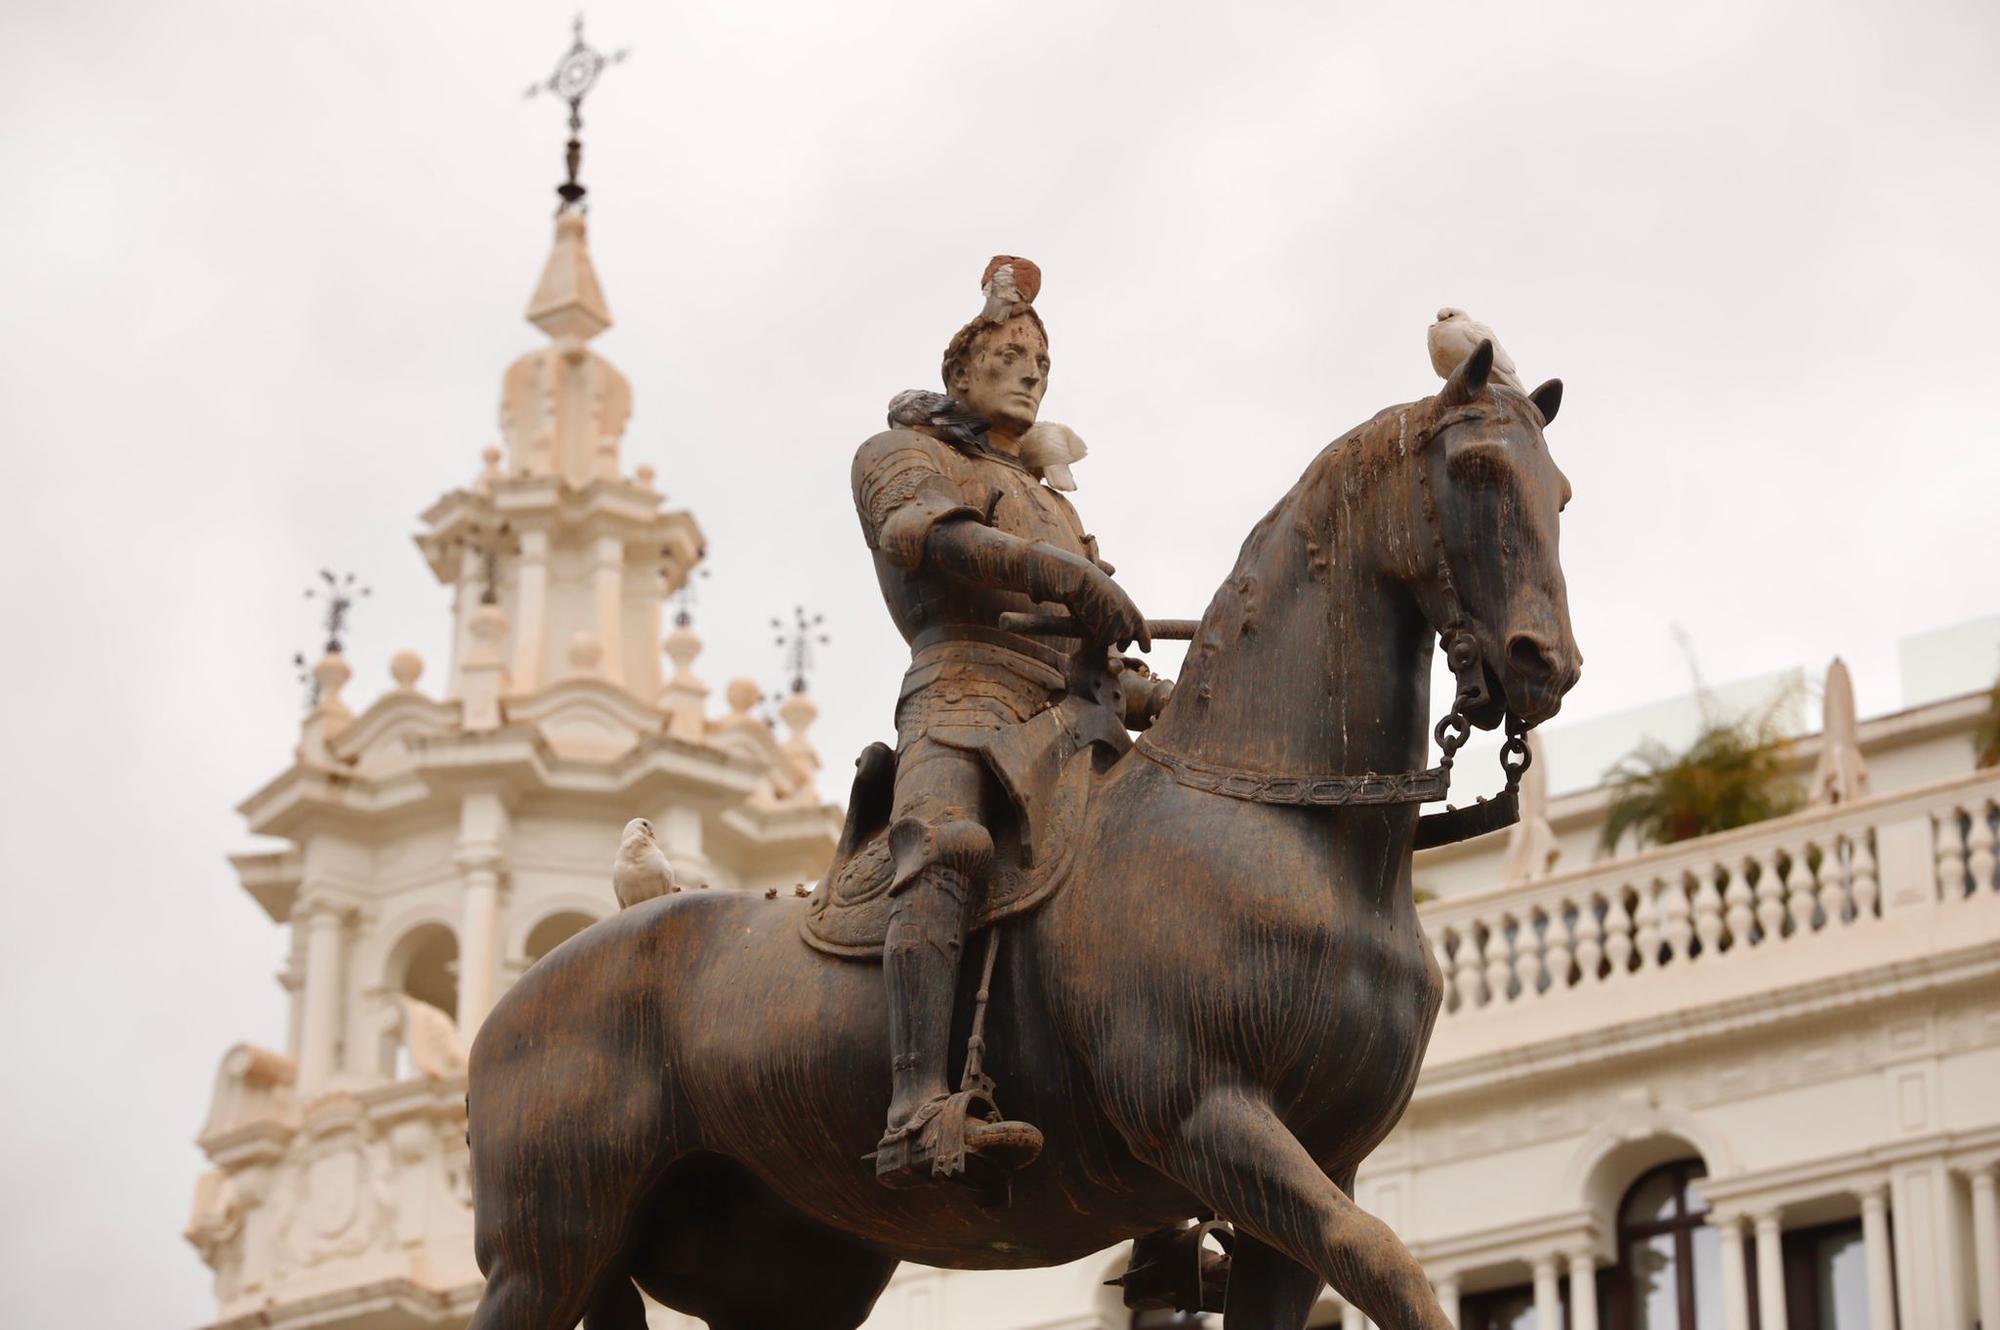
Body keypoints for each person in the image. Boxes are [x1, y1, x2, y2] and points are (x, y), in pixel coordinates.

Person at [851, 257, 1149, 1188]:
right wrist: (1061, 575)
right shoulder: (903, 453)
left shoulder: (1052, 501)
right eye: (1010, 355)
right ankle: (913, 1108)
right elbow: (921, 537)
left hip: (1072, 715)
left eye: (1041, 364)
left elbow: (1093, 650)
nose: (1030, 373)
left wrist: (1172, 692)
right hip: (963, 690)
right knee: (943, 847)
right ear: (961, 373)